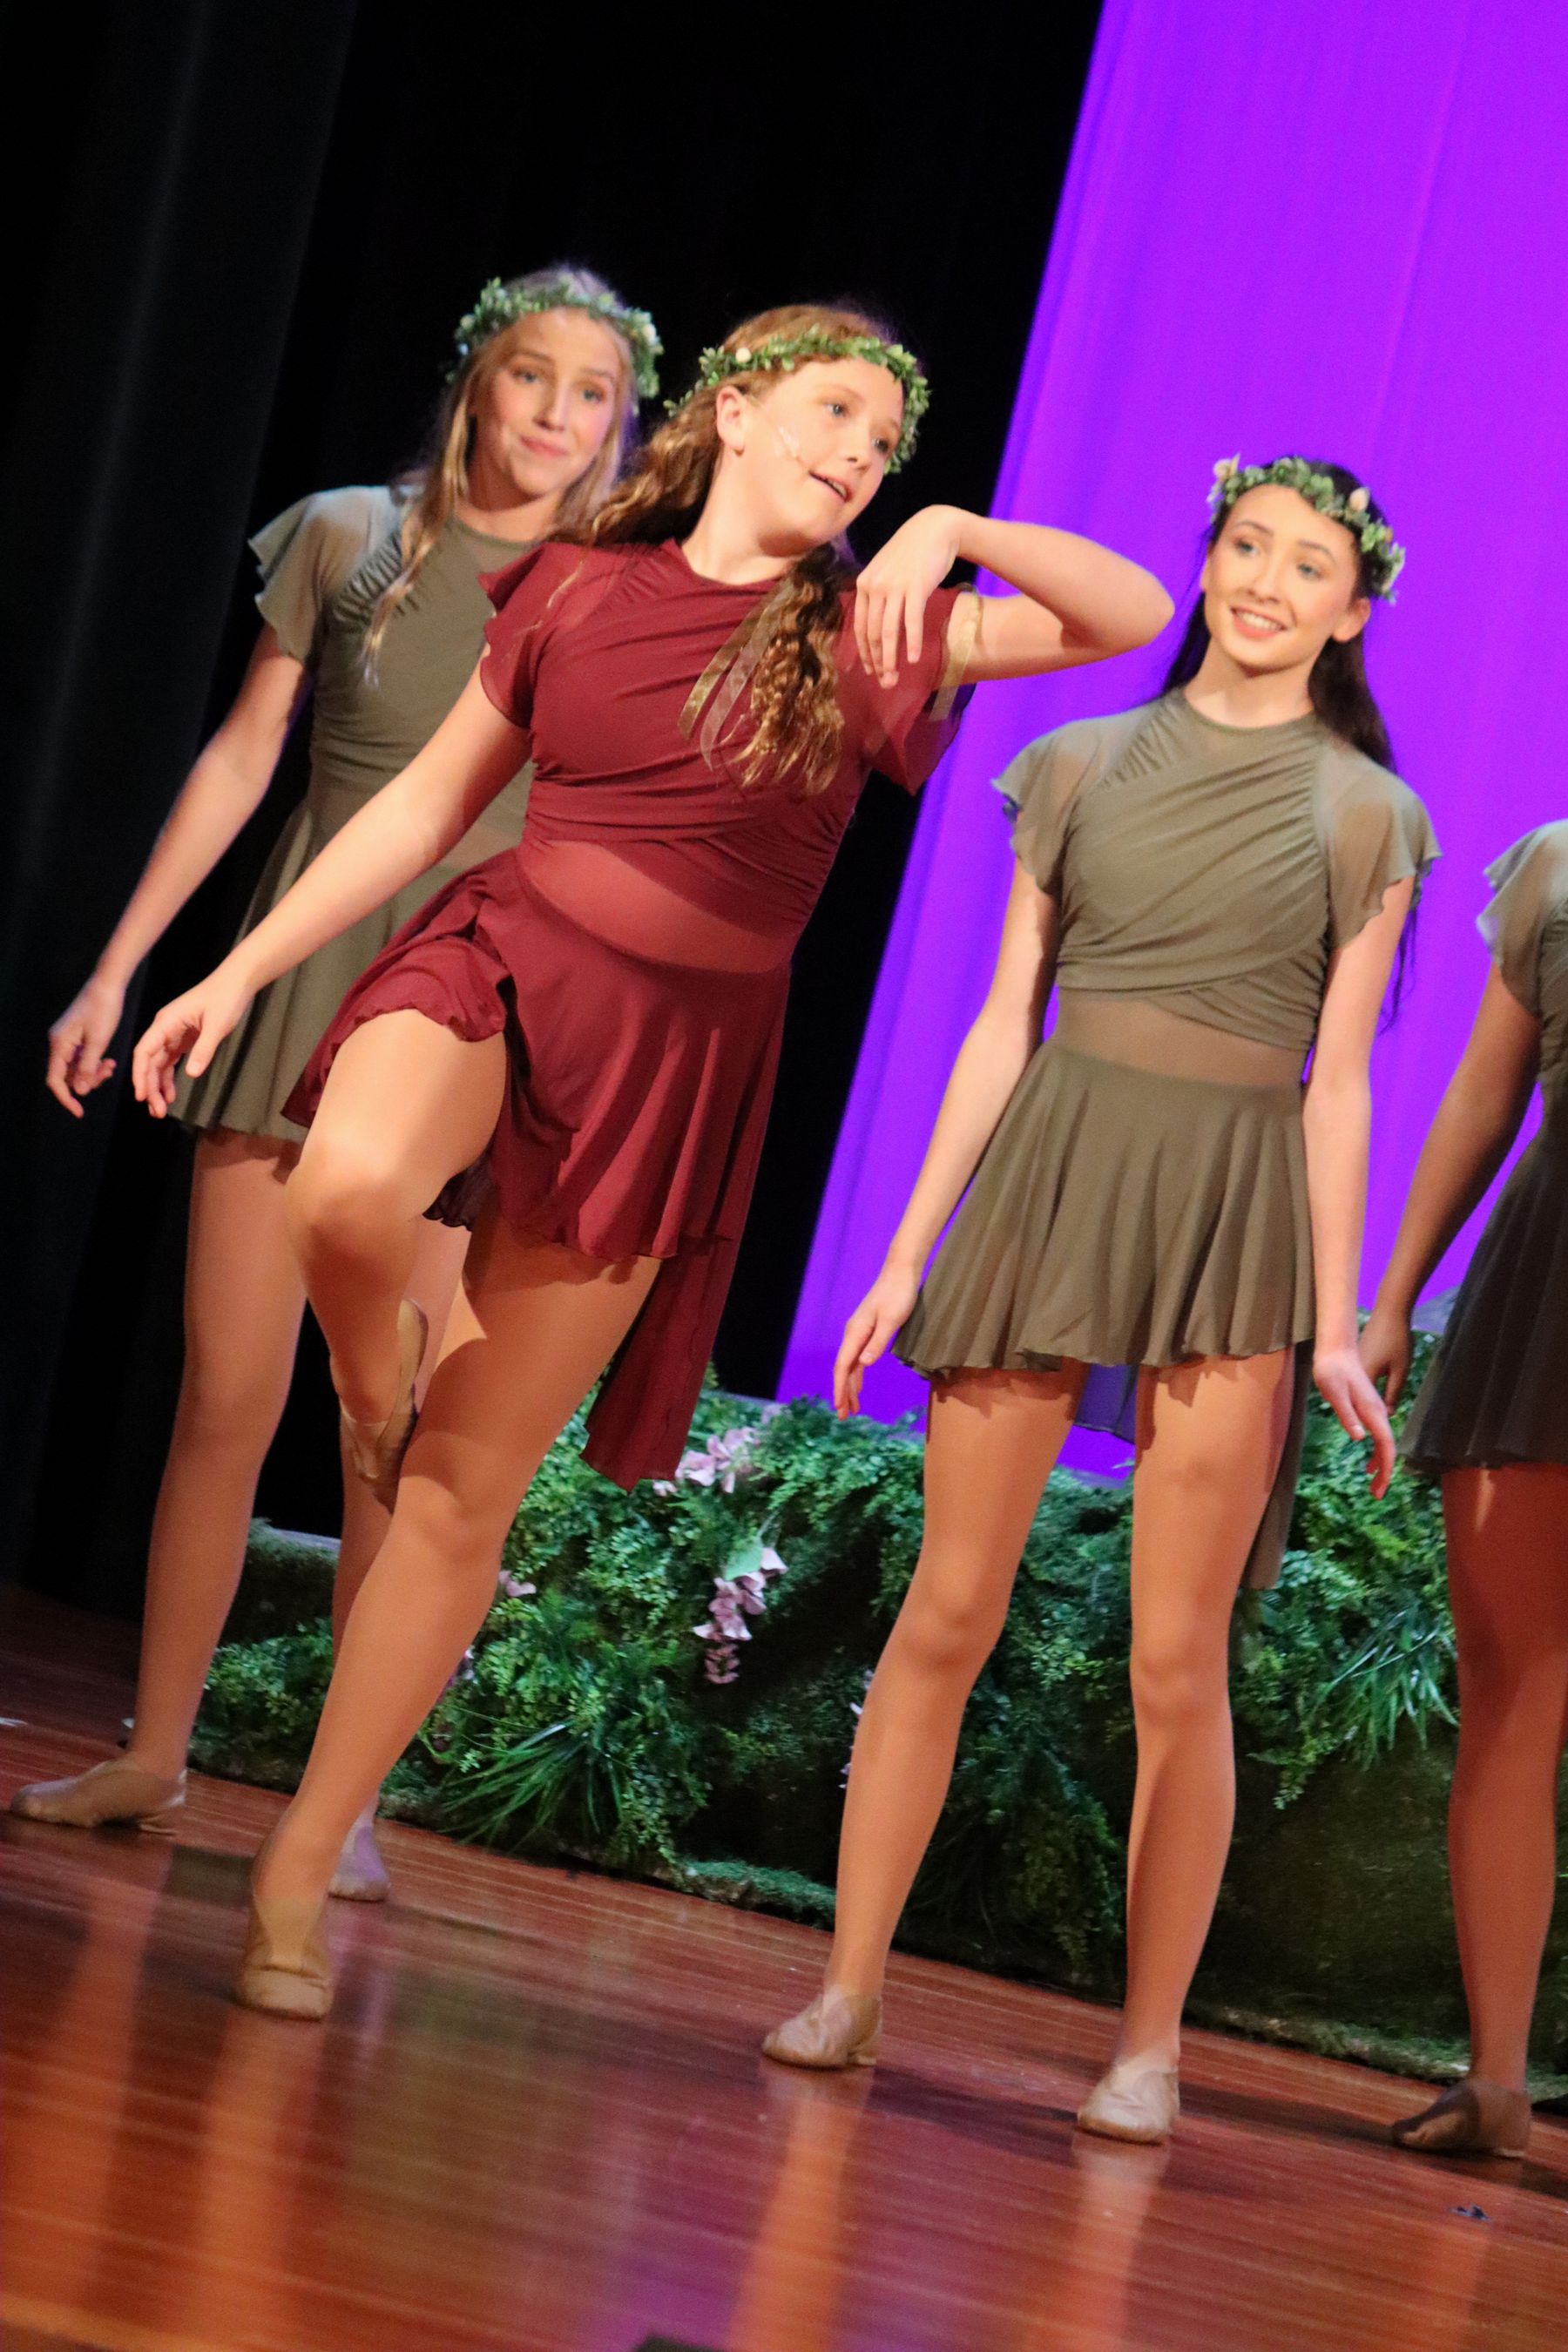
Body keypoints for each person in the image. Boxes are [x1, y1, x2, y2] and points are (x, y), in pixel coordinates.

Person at [129, 302, 1173, 2016]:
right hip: (504, 947)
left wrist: (952, 528)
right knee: (344, 1188)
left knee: (463, 1497)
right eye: (833, 414)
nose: (858, 456)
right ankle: (372, 1378)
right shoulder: (577, 586)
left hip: (676, 1062)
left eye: (885, 444)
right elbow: (422, 808)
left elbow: (1130, 612)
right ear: (738, 408)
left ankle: (300, 1865)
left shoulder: (869, 628)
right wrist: (236, 974)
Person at [764, 456, 1436, 2145]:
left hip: (1230, 1211)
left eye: (1307, 566)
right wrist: (907, 1251)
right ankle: (849, 1985)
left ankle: (1148, 2049)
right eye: (1246, 548)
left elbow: (1341, 1087)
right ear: (1205, 566)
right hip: (1054, 1178)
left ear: (1353, 611)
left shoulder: (1368, 813)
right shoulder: (1072, 765)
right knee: (947, 1608)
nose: (1267, 582)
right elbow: (1004, 1020)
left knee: (1174, 1658)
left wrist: (1335, 1320)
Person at [15, 267, 659, 1903]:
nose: (556, 416)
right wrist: (119, 968)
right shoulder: (347, 539)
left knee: (399, 1432)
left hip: (469, 1006)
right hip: (301, 969)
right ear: (478, 382)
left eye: (592, 393)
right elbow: (245, 758)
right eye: (532, 376)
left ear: (624, 424)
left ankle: (339, 1804)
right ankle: (159, 1747)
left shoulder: (612, 586)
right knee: (225, 1394)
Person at [1360, 823, 1568, 2162]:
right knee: (1512, 1687)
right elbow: (1485, 1097)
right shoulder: (1558, 868)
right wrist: (1394, 1297)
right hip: (1547, 1296)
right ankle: (1497, 2078)